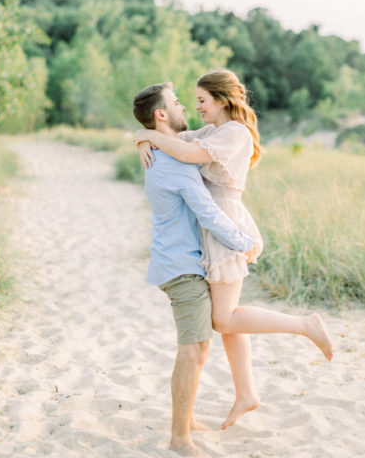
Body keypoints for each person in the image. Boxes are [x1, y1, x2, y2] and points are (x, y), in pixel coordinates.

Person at [134, 70, 333, 431]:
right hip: (211, 229)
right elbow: (174, 138)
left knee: (224, 318)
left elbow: (184, 150)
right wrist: (144, 135)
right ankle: (245, 393)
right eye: (191, 101)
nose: (195, 108)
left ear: (222, 100)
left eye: (201, 101)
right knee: (228, 317)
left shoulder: (235, 134)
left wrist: (146, 134)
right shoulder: (212, 131)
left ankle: (305, 325)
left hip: (224, 223)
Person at [132, 82, 258, 458]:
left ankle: (185, 423)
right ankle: (179, 437)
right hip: (181, 267)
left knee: (199, 349)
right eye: (175, 102)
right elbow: (206, 211)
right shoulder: (174, 163)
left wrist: (141, 136)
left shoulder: (164, 151)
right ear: (161, 114)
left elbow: (191, 142)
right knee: (193, 350)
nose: (184, 105)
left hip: (182, 261)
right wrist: (243, 242)